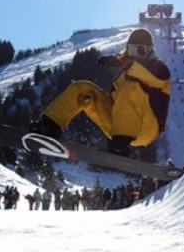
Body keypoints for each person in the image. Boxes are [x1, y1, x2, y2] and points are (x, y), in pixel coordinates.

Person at [28, 28, 171, 157]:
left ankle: (121, 142)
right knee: (84, 89)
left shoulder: (159, 69)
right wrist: (123, 65)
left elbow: (156, 78)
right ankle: (49, 127)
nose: (136, 54)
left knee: (131, 88)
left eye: (141, 50)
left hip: (146, 128)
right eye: (132, 49)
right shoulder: (125, 73)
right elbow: (118, 103)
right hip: (118, 126)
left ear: (150, 51)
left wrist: (125, 63)